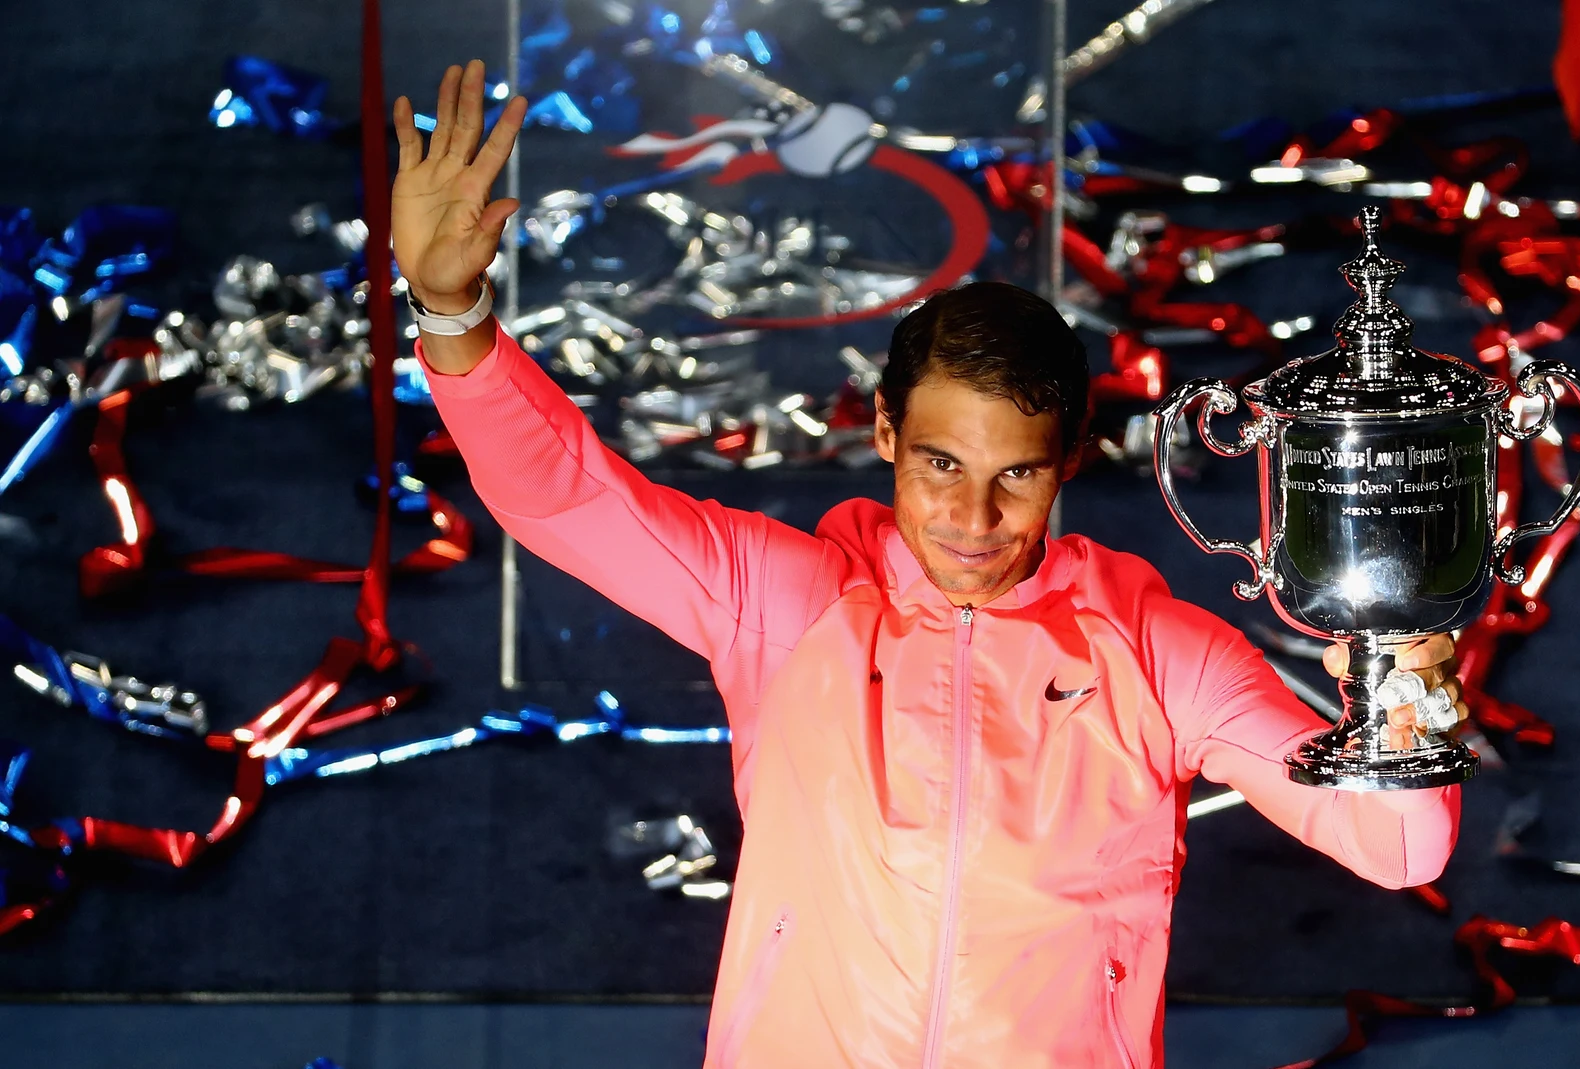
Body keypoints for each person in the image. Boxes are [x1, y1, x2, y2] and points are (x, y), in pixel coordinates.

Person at [394, 61, 1466, 1069]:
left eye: (1016, 474)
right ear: (886, 435)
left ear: (1069, 463)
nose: (972, 517)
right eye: (941, 463)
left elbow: (1394, 847)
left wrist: (1408, 692)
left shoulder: (1158, 658)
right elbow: (562, 496)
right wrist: (451, 312)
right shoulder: (787, 603)